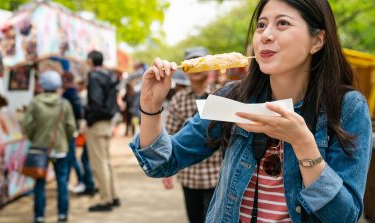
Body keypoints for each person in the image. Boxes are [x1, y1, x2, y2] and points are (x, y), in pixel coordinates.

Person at [130, 1, 372, 222]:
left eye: (283, 24)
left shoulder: (347, 108)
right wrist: (151, 107)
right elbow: (162, 162)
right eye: (261, 25)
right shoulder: (232, 98)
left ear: (317, 41)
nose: (266, 35)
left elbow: (343, 216)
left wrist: (303, 144)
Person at [161, 47, 222, 223]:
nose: (196, 68)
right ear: (185, 69)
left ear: (210, 67)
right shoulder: (178, 99)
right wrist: (167, 171)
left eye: (200, 62)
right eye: (192, 63)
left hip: (218, 176)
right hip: (190, 177)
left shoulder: (223, 94)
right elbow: (170, 134)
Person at [22, 70, 76, 223]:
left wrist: (35, 137)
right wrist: (64, 140)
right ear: (58, 85)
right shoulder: (64, 103)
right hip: (60, 149)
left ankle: (39, 216)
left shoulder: (35, 102)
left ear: (42, 85)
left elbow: (26, 124)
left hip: (40, 148)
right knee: (62, 182)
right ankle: (62, 215)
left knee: (39, 183)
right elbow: (71, 126)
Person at [85, 50, 120, 212]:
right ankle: (113, 196)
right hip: (107, 122)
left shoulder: (94, 76)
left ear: (91, 61)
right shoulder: (110, 75)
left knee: (99, 163)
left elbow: (96, 103)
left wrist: (89, 119)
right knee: (106, 161)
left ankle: (105, 199)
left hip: (97, 123)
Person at [61, 71, 85, 193]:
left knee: (71, 157)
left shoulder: (69, 94)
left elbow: (76, 113)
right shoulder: (73, 93)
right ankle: (73, 180)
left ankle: (80, 180)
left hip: (69, 130)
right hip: (71, 129)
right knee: (71, 157)